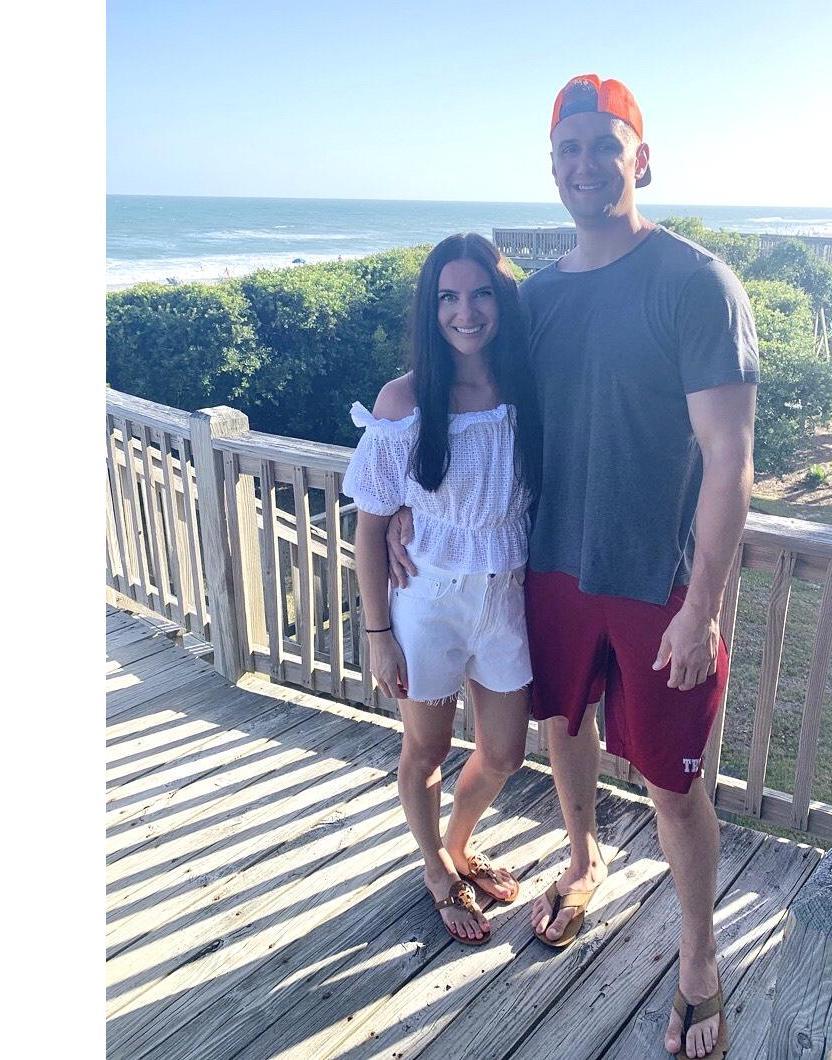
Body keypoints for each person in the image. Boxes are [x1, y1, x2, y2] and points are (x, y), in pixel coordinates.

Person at [389, 75, 757, 1057]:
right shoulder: (537, 299)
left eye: (604, 145)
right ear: (551, 167)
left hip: (657, 585)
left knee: (674, 786)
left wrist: (703, 606)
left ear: (643, 159)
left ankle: (698, 959)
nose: (585, 164)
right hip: (546, 569)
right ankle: (585, 860)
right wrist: (404, 502)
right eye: (568, 149)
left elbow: (729, 457)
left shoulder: (696, 283)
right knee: (564, 726)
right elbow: (460, 386)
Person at [343, 233, 542, 946]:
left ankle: (458, 843)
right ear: (430, 308)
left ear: (502, 300)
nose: (466, 312)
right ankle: (435, 867)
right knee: (425, 751)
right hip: (427, 602)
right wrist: (377, 634)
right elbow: (371, 527)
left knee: (505, 753)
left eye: (481, 293)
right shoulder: (405, 399)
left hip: (506, 599)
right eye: (449, 297)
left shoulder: (527, 385)